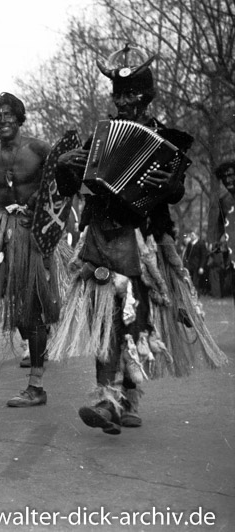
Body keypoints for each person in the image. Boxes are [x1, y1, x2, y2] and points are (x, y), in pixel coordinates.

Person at [49, 44, 228, 434]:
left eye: (131, 94)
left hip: (143, 241)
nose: (124, 101)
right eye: (118, 94)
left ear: (146, 97)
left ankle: (127, 395)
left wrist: (168, 188)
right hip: (101, 236)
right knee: (105, 315)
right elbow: (71, 187)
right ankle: (104, 397)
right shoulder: (99, 136)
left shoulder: (167, 139)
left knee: (136, 316)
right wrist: (63, 167)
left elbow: (176, 189)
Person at [0, 92, 59, 407]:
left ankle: (37, 386)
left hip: (30, 233)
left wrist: (44, 219)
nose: (4, 121)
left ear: (19, 118)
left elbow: (58, 189)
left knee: (31, 311)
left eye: (9, 115)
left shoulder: (39, 149)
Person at [211, 161, 235, 306]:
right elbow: (220, 226)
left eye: (231, 175)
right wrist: (219, 242)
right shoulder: (224, 201)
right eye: (224, 176)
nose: (228, 179)